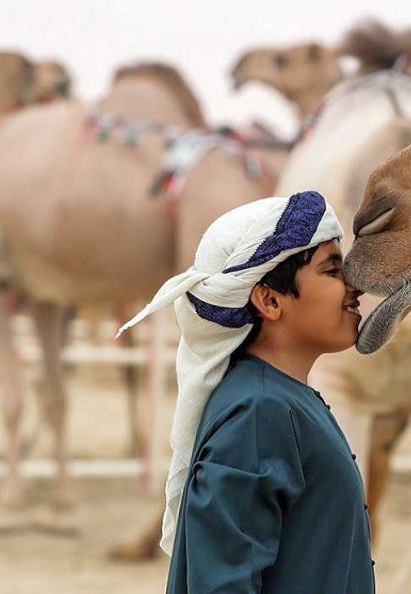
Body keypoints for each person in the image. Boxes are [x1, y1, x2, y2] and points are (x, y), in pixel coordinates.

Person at [119, 191, 374, 593]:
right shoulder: (259, 412)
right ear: (270, 300)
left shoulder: (278, 400)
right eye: (332, 270)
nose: (354, 285)